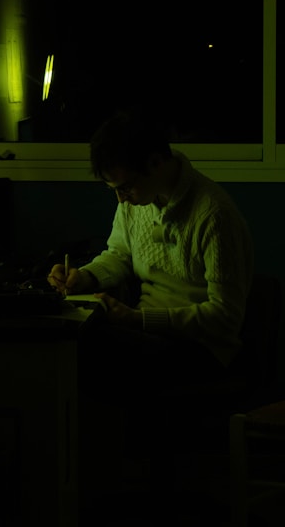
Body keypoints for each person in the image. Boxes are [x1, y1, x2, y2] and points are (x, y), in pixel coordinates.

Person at [48, 108, 254, 402]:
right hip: (149, 333)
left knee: (84, 346)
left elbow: (225, 318)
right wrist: (86, 276)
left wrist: (139, 319)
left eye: (125, 187)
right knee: (70, 335)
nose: (121, 198)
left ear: (156, 162)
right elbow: (119, 255)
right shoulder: (137, 199)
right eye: (114, 190)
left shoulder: (213, 215)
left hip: (202, 347)